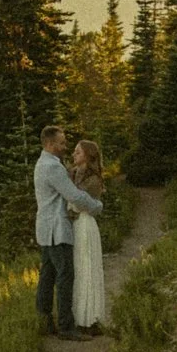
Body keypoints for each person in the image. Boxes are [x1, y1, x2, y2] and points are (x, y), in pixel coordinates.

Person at [33, 124, 102, 340]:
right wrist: (96, 206)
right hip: (56, 228)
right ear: (51, 144)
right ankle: (66, 326)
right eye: (62, 143)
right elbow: (73, 195)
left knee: (48, 275)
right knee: (65, 275)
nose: (66, 147)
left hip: (46, 228)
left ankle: (44, 320)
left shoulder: (43, 162)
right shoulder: (53, 167)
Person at [69, 138, 108, 333]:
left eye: (78, 152)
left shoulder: (93, 179)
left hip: (85, 224)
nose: (74, 154)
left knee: (87, 268)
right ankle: (79, 316)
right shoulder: (73, 174)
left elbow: (78, 202)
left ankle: (90, 318)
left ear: (87, 156)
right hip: (76, 224)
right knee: (78, 269)